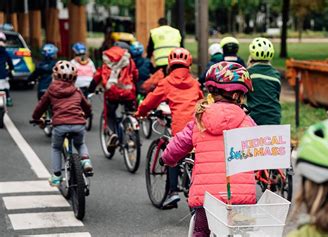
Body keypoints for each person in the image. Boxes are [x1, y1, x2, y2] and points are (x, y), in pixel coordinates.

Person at [161, 61, 257, 236]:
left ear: (212, 93)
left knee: (201, 231)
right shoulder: (248, 122)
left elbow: (177, 146)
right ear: (237, 96)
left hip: (206, 198)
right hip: (241, 198)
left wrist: (167, 158)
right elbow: (259, 152)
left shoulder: (199, 121)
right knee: (242, 231)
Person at [136, 48, 203, 208]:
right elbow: (201, 101)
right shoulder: (194, 82)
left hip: (180, 128)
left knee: (173, 154)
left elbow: (150, 101)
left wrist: (140, 112)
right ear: (189, 64)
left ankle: (173, 192)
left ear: (170, 64)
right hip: (198, 126)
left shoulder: (166, 82)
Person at [32, 61, 93, 186]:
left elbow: (40, 107)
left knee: (56, 147)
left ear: (54, 76)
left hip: (60, 125)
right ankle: (86, 161)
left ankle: (57, 176)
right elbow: (87, 107)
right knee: (80, 143)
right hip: (78, 124)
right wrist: (85, 115)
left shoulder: (51, 90)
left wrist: (36, 118)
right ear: (75, 78)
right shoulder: (77, 91)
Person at [88, 43, 138, 150]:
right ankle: (131, 134)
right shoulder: (129, 60)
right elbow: (135, 74)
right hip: (128, 92)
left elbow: (98, 76)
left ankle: (112, 134)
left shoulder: (107, 60)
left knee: (110, 114)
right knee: (131, 112)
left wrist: (90, 90)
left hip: (112, 93)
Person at [246, 37, 281, 125]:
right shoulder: (276, 74)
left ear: (251, 56)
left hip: (255, 119)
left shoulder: (248, 74)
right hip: (274, 119)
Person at [0, 32, 13, 107]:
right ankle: (8, 99)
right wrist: (11, 69)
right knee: (6, 87)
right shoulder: (5, 52)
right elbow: (10, 62)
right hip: (3, 74)